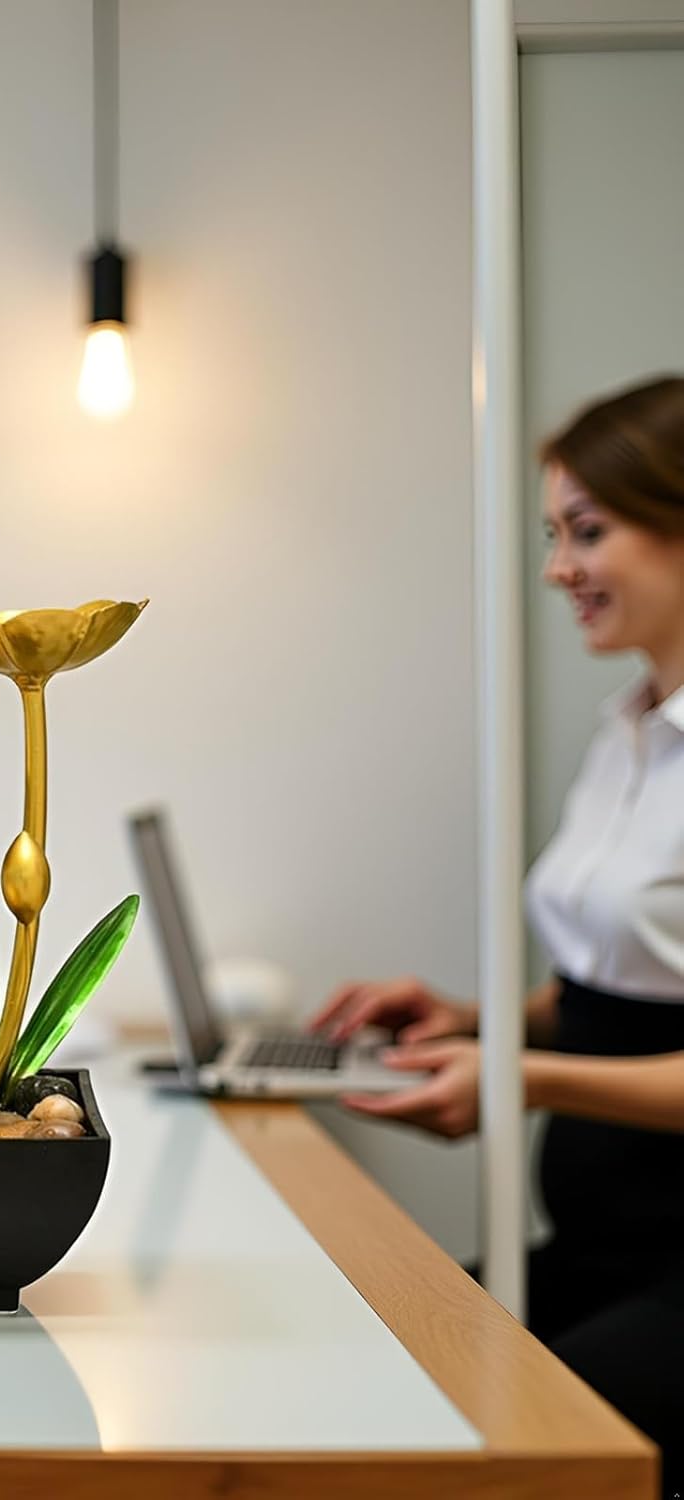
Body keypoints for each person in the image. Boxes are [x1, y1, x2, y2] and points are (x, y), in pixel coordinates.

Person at [311, 374, 684, 1495]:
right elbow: (619, 990)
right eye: (552, 535)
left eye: (588, 532)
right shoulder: (629, 736)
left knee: (486, 1449)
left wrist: (516, 1078)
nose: (557, 568)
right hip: (603, 1244)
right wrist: (475, 1022)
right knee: (374, 1364)